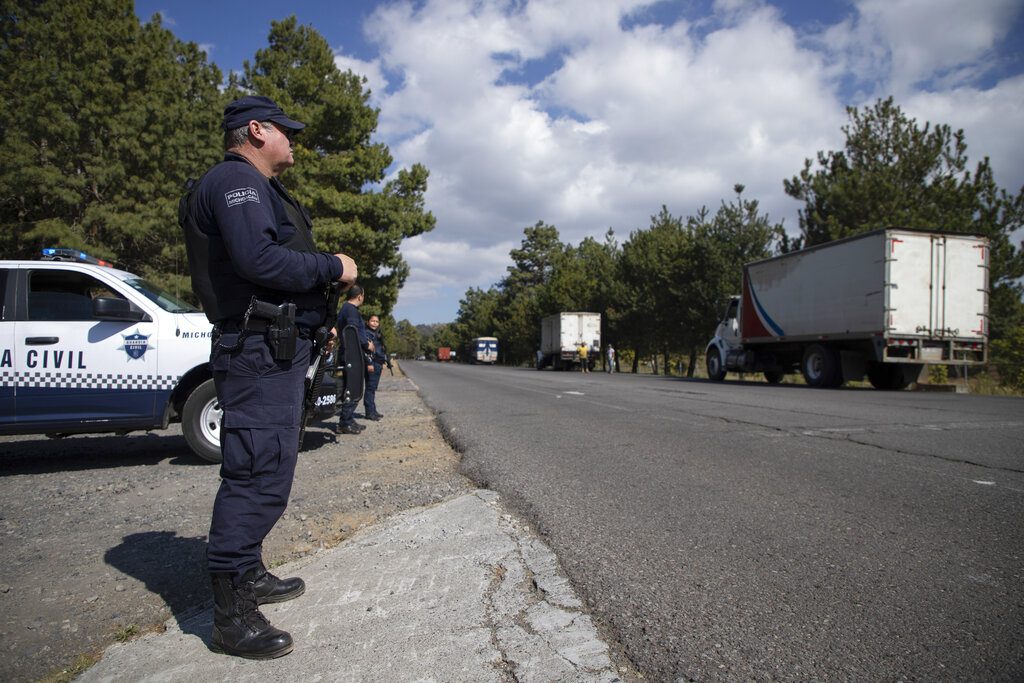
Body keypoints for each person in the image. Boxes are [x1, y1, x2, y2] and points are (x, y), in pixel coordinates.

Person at [180, 95, 357, 660]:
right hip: (257, 348)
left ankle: (249, 570)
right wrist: (333, 265)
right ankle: (230, 615)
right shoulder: (237, 182)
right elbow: (259, 260)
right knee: (257, 472)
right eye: (287, 131)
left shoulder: (255, 186)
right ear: (256, 130)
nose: (294, 140)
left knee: (270, 464)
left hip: (272, 346)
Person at [336, 285, 374, 434]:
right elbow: (352, 332)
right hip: (352, 354)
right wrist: (367, 344)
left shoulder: (346, 309)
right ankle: (344, 422)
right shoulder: (351, 310)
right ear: (360, 296)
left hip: (350, 353)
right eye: (363, 296)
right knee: (353, 387)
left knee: (352, 387)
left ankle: (349, 419)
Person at [362, 314, 389, 420]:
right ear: (368, 322)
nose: (375, 323)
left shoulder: (377, 333)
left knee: (373, 388)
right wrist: (369, 363)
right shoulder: (366, 334)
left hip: (378, 363)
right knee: (370, 388)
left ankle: (373, 410)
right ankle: (369, 413)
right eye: (372, 321)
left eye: (377, 321)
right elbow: (365, 350)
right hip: (372, 364)